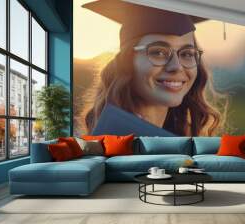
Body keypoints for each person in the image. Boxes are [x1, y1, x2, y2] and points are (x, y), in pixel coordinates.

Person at [83, 0, 220, 136]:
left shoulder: (180, 136)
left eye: (187, 54)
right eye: (158, 52)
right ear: (127, 61)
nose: (176, 66)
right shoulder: (118, 139)